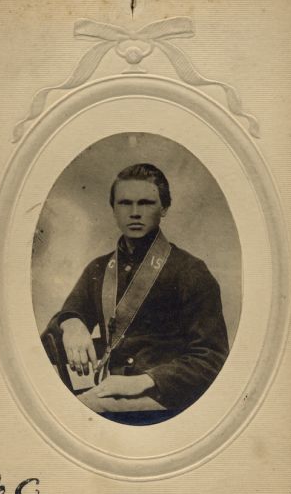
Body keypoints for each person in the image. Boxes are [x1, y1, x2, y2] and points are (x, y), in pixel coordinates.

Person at [41, 163, 229, 415]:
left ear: (164, 208)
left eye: (146, 203)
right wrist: (71, 323)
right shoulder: (99, 268)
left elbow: (212, 358)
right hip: (106, 384)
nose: (135, 212)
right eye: (125, 203)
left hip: (164, 397)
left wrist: (141, 382)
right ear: (114, 210)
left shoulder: (190, 271)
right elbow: (54, 330)